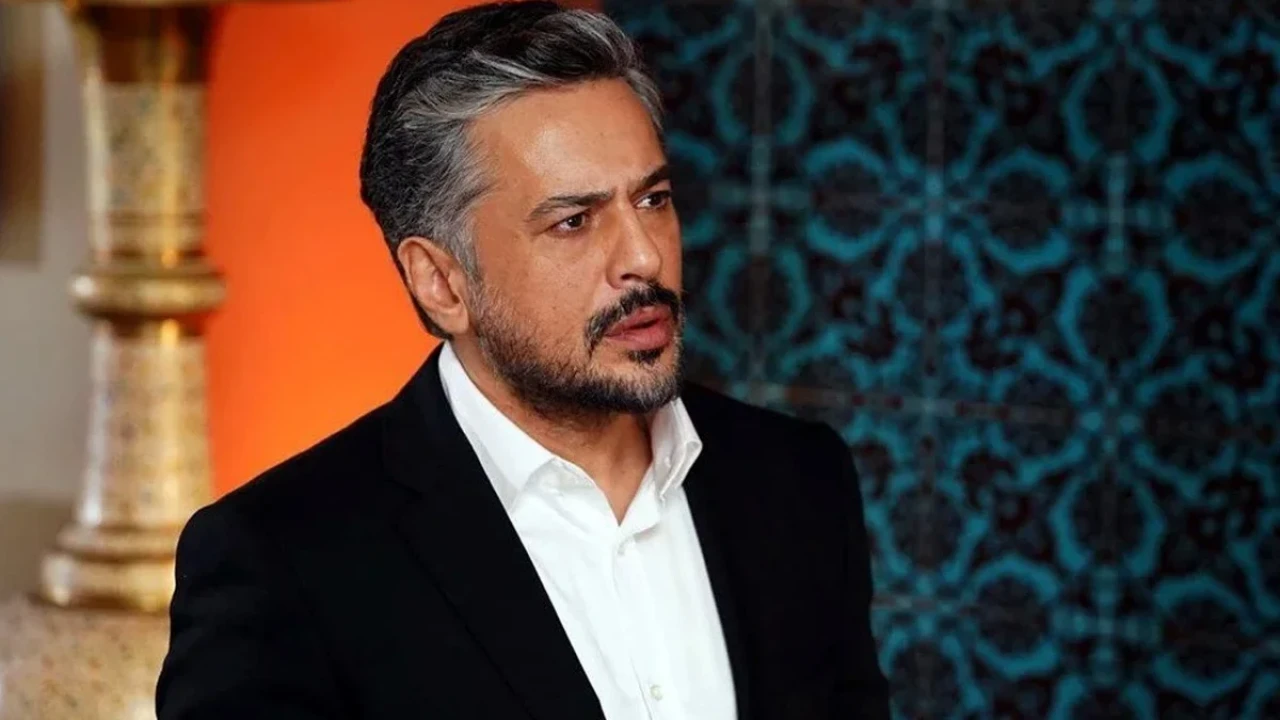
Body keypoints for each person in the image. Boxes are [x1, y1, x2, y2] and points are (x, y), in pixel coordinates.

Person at [155, 2, 889, 718]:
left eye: (653, 199)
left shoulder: (800, 481)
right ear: (442, 283)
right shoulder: (281, 561)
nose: (643, 257)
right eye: (574, 221)